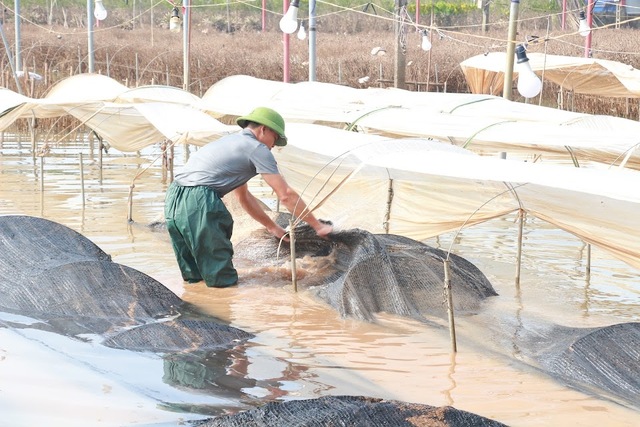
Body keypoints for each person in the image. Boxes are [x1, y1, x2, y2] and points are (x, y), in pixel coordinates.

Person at [164, 106, 333, 288]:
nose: (273, 146)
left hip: (174, 198)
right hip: (199, 201)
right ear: (263, 129)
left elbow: (244, 198)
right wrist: (318, 226)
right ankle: (224, 310)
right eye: (275, 139)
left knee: (194, 275)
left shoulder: (230, 142)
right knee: (222, 279)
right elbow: (285, 195)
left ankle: (198, 308)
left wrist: (273, 227)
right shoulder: (257, 148)